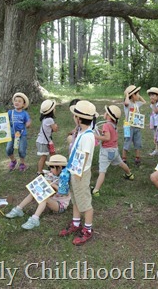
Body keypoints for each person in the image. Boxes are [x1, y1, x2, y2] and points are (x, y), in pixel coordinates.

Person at [59, 100, 98, 245]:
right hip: (75, 171)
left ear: (79, 119)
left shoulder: (88, 136)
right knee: (75, 198)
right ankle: (76, 223)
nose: (73, 117)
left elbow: (85, 155)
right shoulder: (81, 132)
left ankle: (88, 229)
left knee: (85, 203)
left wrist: (78, 173)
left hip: (80, 173)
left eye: (74, 115)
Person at [5, 154, 71, 230]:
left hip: (60, 205)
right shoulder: (52, 175)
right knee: (33, 192)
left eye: (52, 167)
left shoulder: (65, 179)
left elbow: (65, 192)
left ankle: (35, 219)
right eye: (49, 167)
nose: (50, 169)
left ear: (59, 168)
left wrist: (51, 184)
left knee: (44, 198)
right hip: (52, 199)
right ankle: (18, 209)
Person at [92, 105, 134, 196]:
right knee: (121, 163)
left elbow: (107, 137)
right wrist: (100, 131)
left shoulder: (106, 125)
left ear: (109, 115)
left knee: (102, 171)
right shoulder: (114, 125)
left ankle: (96, 190)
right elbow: (108, 134)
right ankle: (129, 174)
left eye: (106, 112)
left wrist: (95, 136)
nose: (104, 113)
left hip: (106, 152)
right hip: (114, 150)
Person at [6, 92, 31, 172]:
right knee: (8, 149)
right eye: (15, 101)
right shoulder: (10, 112)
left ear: (23, 104)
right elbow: (4, 120)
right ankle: (13, 161)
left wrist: (28, 124)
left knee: (21, 150)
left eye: (19, 101)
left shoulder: (25, 113)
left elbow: (28, 121)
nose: (17, 102)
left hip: (22, 135)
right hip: (12, 134)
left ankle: (22, 163)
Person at [122, 85, 146, 166]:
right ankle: (124, 158)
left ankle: (137, 157)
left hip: (136, 126)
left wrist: (138, 95)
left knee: (137, 141)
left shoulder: (136, 103)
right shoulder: (128, 104)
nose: (138, 96)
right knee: (127, 141)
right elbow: (126, 102)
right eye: (137, 94)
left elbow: (144, 102)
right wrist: (127, 95)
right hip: (128, 126)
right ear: (132, 95)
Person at [36, 99, 58, 175]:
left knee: (52, 154)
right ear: (51, 111)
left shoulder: (45, 118)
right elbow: (55, 129)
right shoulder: (50, 120)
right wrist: (56, 126)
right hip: (44, 142)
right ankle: (39, 171)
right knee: (44, 157)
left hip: (45, 140)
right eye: (54, 108)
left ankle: (52, 167)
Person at [147, 87, 158, 156]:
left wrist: (153, 104)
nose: (151, 97)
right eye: (150, 95)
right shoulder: (153, 103)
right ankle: (157, 149)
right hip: (154, 122)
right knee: (155, 136)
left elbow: (156, 111)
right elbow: (153, 112)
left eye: (153, 95)